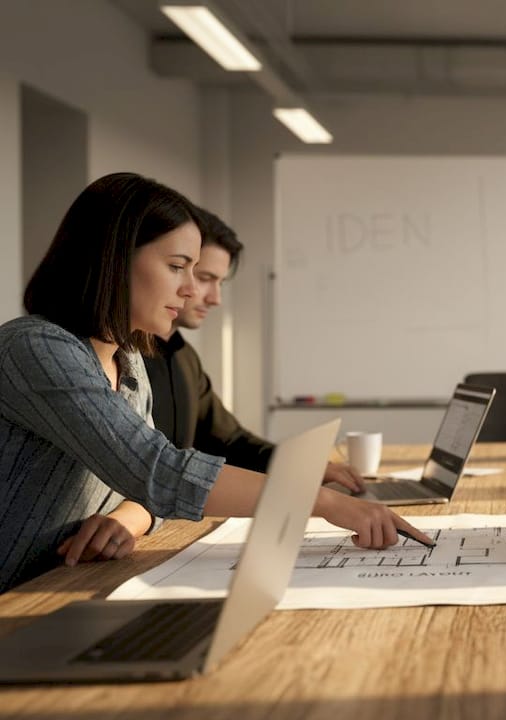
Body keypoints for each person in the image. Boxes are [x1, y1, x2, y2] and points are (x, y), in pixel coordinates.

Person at [0, 172, 430, 594]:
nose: (191, 290)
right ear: (113, 259)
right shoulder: (37, 348)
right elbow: (160, 471)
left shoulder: (129, 363)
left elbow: (151, 486)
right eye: (177, 267)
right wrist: (326, 503)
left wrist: (134, 515)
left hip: (62, 587)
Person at [142, 206, 364, 491]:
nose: (216, 299)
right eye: (205, 278)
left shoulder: (184, 357)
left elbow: (230, 441)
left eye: (221, 282)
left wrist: (304, 465)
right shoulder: (121, 358)